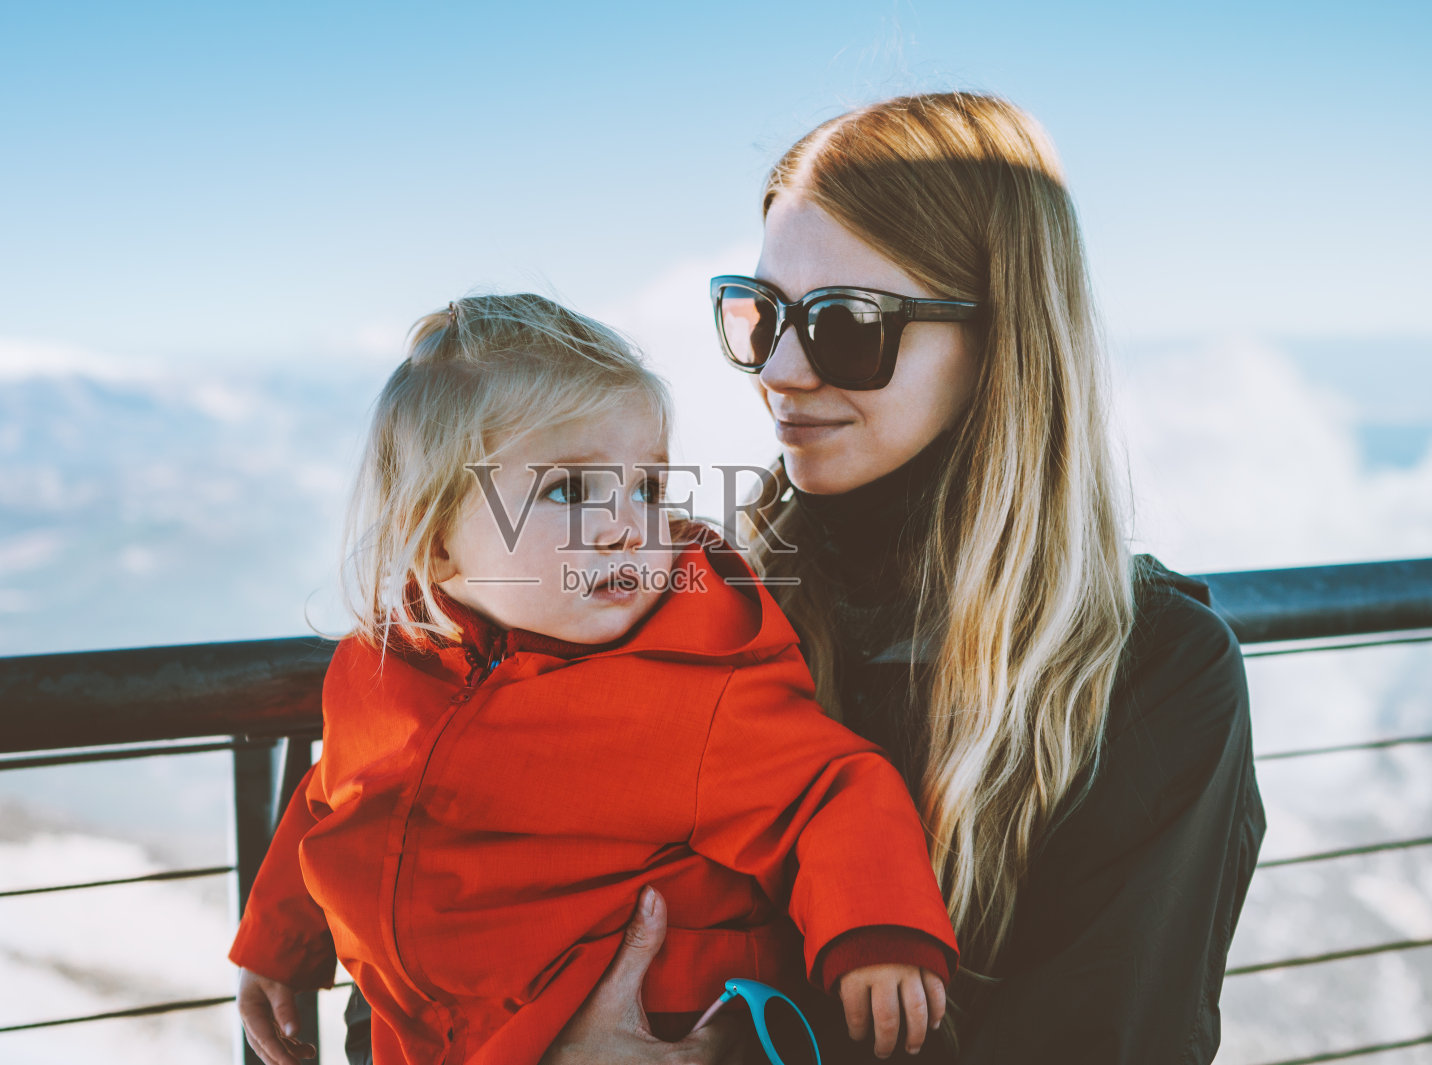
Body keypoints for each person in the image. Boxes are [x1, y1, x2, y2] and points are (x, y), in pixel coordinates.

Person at [531, 92, 1266, 1064]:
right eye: (760, 314)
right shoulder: (696, 610)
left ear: (999, 341)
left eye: (845, 323)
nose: (778, 370)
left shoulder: (1150, 676)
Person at [229, 293, 961, 1065]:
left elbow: (829, 787)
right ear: (437, 541)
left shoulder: (690, 677)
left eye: (647, 487)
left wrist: (877, 931)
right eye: (569, 491)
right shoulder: (381, 668)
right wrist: (280, 944)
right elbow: (338, 805)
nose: (626, 526)